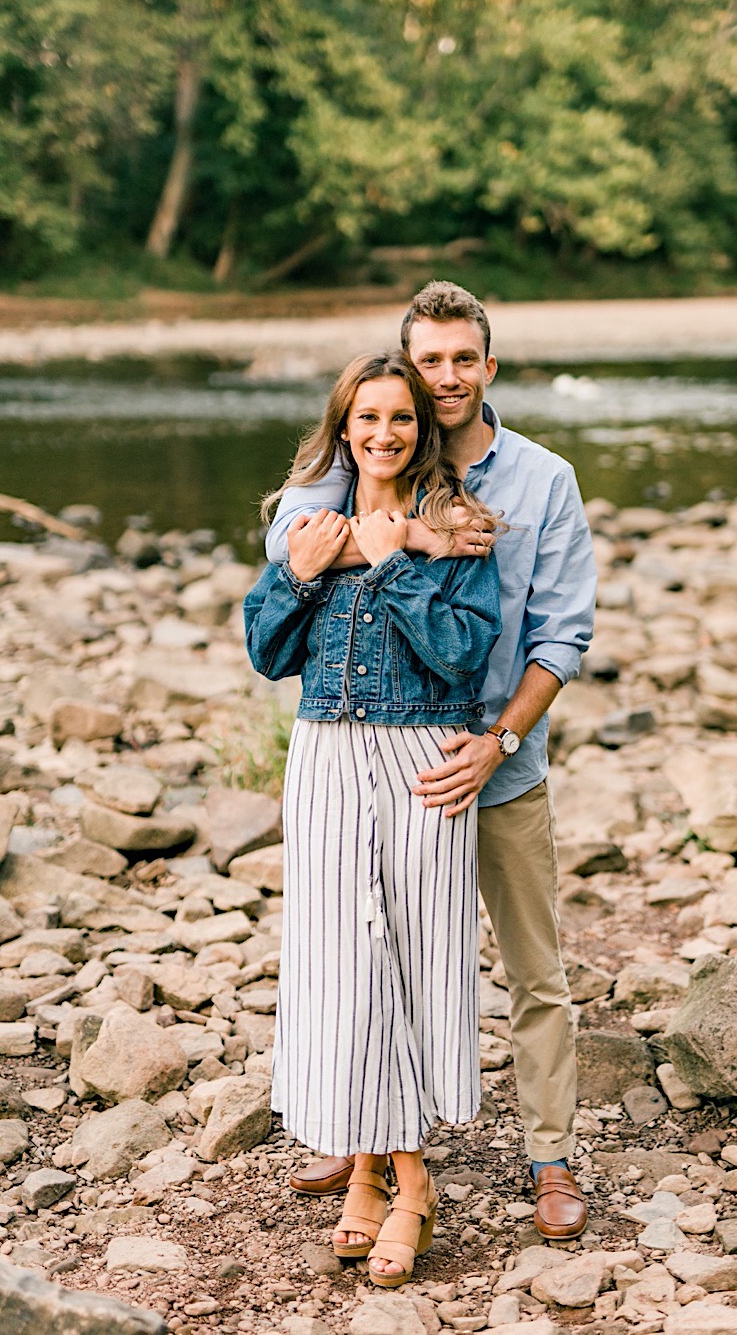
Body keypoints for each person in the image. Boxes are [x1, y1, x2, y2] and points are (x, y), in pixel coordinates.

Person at [266, 282, 599, 1241]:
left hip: (499, 758)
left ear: (489, 368)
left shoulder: (542, 481)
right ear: (409, 369)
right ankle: (366, 1146)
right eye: (431, 362)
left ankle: (550, 1159)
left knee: (533, 971)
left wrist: (497, 744)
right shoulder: (375, 452)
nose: (447, 378)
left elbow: (560, 637)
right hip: (392, 760)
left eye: (464, 360)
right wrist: (411, 532)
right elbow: (288, 533)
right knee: (374, 949)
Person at [242, 351, 502, 1287]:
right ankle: (374, 1169)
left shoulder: (459, 527)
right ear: (342, 427)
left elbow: (462, 657)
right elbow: (268, 653)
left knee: (411, 959)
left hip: (420, 755)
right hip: (323, 757)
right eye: (367, 418)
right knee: (341, 961)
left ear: (420, 428)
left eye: (400, 418)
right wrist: (305, 576)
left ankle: (403, 1180)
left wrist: (395, 563)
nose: (384, 433)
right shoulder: (305, 527)